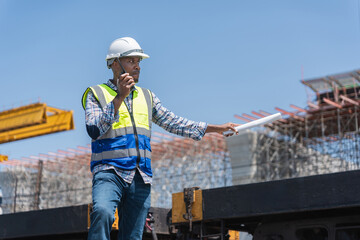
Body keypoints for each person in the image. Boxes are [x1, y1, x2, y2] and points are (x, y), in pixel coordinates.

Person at [82, 37, 239, 240]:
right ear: (114, 64)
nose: (137, 66)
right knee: (102, 212)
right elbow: (94, 129)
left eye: (139, 62)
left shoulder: (147, 97)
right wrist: (119, 98)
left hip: (140, 176)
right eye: (131, 61)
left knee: (133, 236)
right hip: (109, 172)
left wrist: (216, 128)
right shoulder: (96, 94)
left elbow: (174, 122)